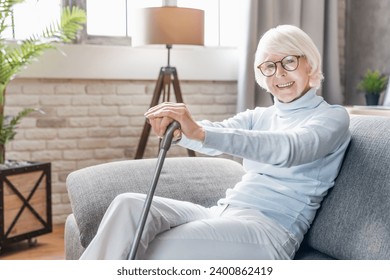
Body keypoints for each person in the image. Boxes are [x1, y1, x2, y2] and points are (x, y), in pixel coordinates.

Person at [79, 24, 351, 260]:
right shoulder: (260, 116)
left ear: (309, 64)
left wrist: (199, 132)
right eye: (269, 66)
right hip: (221, 212)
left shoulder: (332, 117)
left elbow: (289, 148)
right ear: (262, 75)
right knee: (129, 205)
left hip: (269, 232)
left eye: (289, 61)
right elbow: (216, 135)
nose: (279, 73)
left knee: (135, 248)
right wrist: (180, 131)